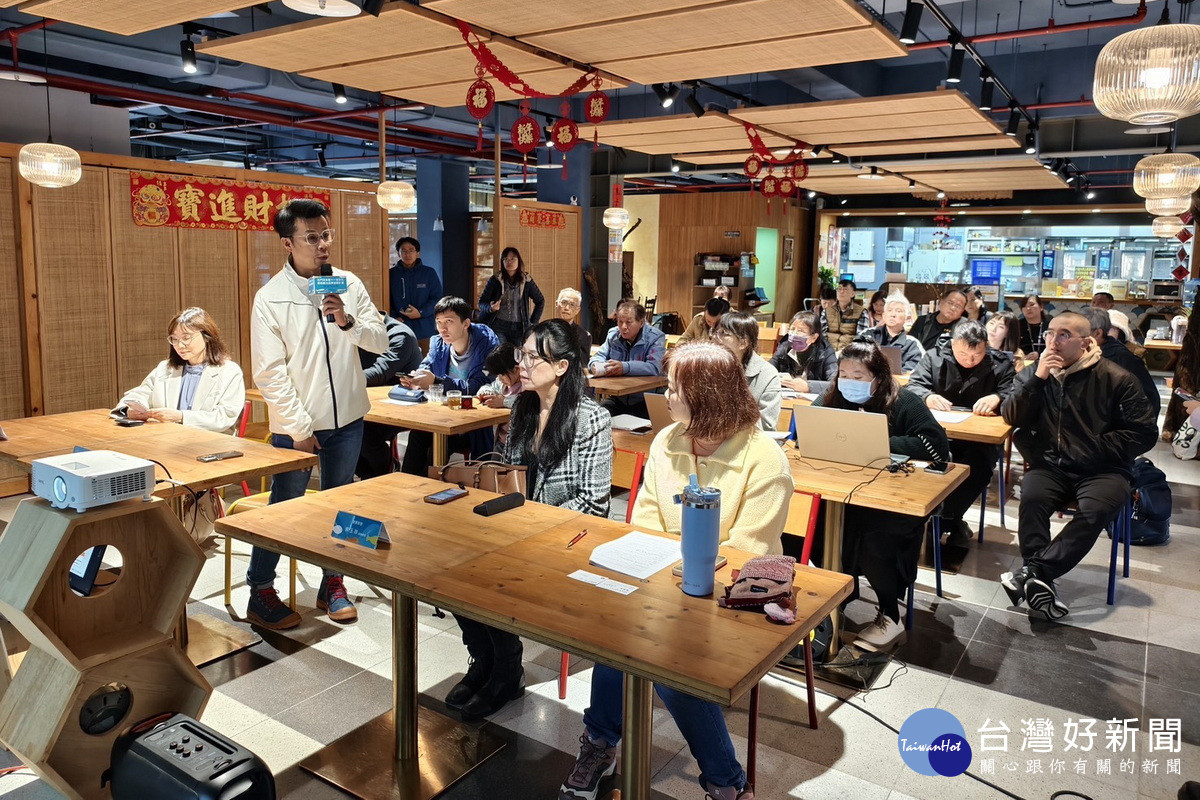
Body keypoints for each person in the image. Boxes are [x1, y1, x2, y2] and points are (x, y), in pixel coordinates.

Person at [559, 342, 791, 800]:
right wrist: (663, 573)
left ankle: (726, 782)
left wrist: (683, 574)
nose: (666, 397)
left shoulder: (764, 459)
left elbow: (749, 550)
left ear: (706, 394)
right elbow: (646, 518)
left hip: (732, 596)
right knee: (614, 636)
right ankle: (602, 743)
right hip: (664, 582)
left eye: (674, 388)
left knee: (666, 663)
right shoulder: (668, 440)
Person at [446, 320, 612, 722]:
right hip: (519, 528)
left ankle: (506, 669)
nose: (522, 364)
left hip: (564, 540)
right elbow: (509, 476)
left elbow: (594, 504)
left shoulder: (592, 419)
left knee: (488, 568)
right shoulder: (522, 406)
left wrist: (531, 526)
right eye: (522, 354)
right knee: (447, 565)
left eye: (533, 357)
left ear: (562, 367)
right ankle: (486, 657)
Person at [248, 199, 389, 629]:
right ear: (288, 243)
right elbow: (270, 373)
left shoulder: (347, 283)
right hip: (297, 427)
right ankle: (260, 589)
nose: (323, 244)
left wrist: (348, 322)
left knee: (341, 500)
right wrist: (298, 428)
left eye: (326, 234)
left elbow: (380, 341)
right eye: (312, 237)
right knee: (284, 505)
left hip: (348, 417)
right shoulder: (270, 298)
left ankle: (334, 581)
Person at [999, 312, 1157, 619]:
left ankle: (1033, 572)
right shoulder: (1036, 373)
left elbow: (1143, 433)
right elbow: (1011, 416)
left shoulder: (1117, 378)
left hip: (1104, 469)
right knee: (1031, 498)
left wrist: (1089, 449)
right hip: (1051, 466)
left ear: (1085, 342)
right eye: (1050, 333)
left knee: (1096, 510)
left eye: (1063, 335)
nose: (1053, 341)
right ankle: (1040, 583)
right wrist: (1037, 379)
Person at [813, 341, 950, 649]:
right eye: (843, 373)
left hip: (893, 500)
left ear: (878, 377)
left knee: (874, 538)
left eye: (858, 376)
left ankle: (890, 613)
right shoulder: (833, 395)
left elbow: (936, 447)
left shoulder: (904, 402)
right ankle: (839, 596)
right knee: (809, 528)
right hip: (844, 494)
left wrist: (879, 441)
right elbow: (809, 427)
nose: (849, 381)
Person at [907, 320, 1015, 544]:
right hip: (939, 432)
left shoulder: (1000, 363)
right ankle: (941, 520)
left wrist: (998, 398)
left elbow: (1014, 393)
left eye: (977, 355)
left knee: (980, 466)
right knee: (919, 461)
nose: (970, 360)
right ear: (953, 344)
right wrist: (928, 396)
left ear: (986, 346)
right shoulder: (934, 357)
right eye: (963, 354)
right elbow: (914, 385)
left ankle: (946, 519)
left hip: (980, 438)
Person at [399, 296, 500, 476]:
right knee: (418, 434)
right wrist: (417, 377)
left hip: (471, 420)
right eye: (438, 322)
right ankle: (408, 485)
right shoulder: (437, 343)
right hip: (441, 416)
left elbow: (480, 385)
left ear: (466, 323)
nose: (442, 328)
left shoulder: (486, 343)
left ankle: (431, 488)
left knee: (436, 445)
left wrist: (436, 381)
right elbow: (426, 365)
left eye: (449, 322)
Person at [115, 307, 245, 435]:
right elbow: (138, 395)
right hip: (167, 439)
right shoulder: (165, 368)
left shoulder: (229, 371)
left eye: (186, 338)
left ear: (207, 336)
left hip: (211, 442)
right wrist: (131, 409)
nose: (180, 345)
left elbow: (224, 417)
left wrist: (181, 417)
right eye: (174, 339)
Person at [355, 313, 422, 481]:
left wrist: (345, 379)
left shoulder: (400, 335)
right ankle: (364, 478)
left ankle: (382, 472)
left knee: (362, 433)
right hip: (368, 404)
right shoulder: (357, 333)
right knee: (341, 429)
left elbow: (380, 372)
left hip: (402, 407)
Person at [587, 299, 666, 418]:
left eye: (629, 322)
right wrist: (594, 365)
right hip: (619, 399)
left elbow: (655, 367)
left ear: (641, 322)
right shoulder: (613, 335)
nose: (623, 327)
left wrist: (625, 367)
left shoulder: (655, 337)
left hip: (644, 400)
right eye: (620, 322)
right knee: (595, 417)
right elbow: (599, 355)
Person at [1079, 307, 1160, 417]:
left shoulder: (1120, 359)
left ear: (1098, 333)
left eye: (1081, 332)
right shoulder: (1084, 353)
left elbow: (1149, 401)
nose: (1075, 337)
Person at [710, 311, 782, 431]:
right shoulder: (706, 367)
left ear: (743, 343)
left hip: (749, 443)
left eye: (724, 333)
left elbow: (766, 425)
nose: (714, 337)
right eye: (715, 331)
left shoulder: (767, 374)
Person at [477, 246, 545, 347]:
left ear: (519, 260)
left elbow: (540, 300)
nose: (509, 261)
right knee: (501, 354)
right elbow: (481, 303)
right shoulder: (495, 280)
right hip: (498, 325)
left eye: (513, 258)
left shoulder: (526, 280)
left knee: (517, 356)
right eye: (506, 259)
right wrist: (491, 308)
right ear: (502, 262)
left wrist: (533, 324)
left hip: (520, 327)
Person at [389, 237, 442, 351]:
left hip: (424, 328)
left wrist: (420, 313)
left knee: (425, 364)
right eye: (404, 250)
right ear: (398, 254)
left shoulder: (428, 273)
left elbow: (437, 299)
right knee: (401, 364)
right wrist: (393, 318)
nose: (407, 254)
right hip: (399, 327)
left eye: (411, 250)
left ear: (417, 253)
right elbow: (386, 298)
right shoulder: (391, 274)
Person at [770, 310, 837, 394]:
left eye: (801, 331)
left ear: (814, 338)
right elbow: (768, 370)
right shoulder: (784, 346)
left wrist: (809, 386)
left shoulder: (826, 352)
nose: (794, 334)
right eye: (792, 329)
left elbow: (835, 384)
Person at [856, 295, 925, 373]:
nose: (893, 314)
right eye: (889, 310)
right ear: (884, 315)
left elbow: (914, 372)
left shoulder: (912, 344)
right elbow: (853, 358)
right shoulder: (867, 335)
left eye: (898, 311)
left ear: (907, 318)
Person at [476, 344, 523, 449]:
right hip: (501, 441)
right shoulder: (502, 383)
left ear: (516, 369)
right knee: (493, 465)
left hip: (518, 444)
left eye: (502, 375)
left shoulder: (526, 385)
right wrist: (486, 392)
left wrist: (503, 402)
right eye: (497, 375)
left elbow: (524, 401)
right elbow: (489, 387)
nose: (500, 379)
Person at [824, 279, 864, 351]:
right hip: (828, 351)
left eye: (845, 289)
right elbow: (822, 334)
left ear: (853, 294)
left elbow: (861, 338)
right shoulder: (827, 311)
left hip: (849, 352)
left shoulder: (861, 312)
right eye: (839, 289)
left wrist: (846, 352)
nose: (841, 292)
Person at [555, 287, 592, 356]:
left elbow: (582, 363)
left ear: (577, 310)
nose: (567, 308)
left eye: (572, 304)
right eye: (564, 302)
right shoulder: (545, 329)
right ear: (556, 304)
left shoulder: (584, 336)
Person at [1015, 294, 1052, 359]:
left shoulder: (1051, 325)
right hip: (1022, 362)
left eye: (1032, 305)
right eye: (1024, 306)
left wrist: (1039, 353)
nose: (1028, 308)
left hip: (1046, 360)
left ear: (1041, 307)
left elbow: (1055, 347)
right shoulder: (1017, 325)